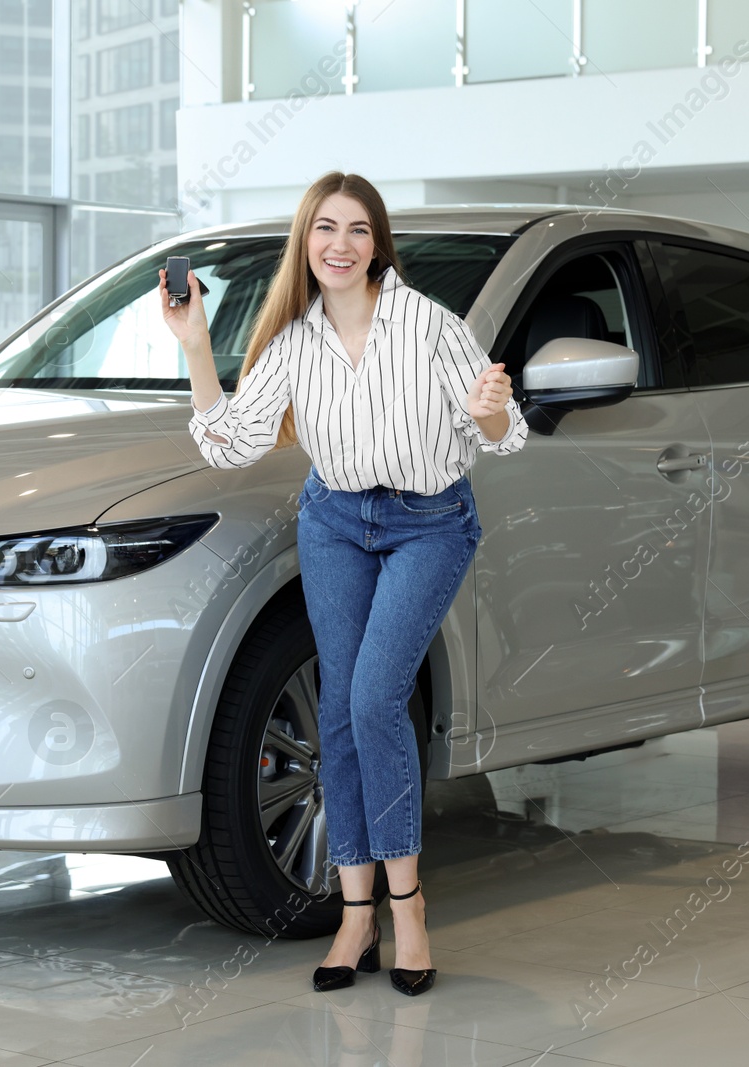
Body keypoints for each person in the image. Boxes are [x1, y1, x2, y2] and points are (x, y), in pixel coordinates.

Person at [161, 171, 530, 996]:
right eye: (324, 228)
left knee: (372, 699)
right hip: (334, 519)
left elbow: (503, 437)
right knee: (337, 707)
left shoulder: (430, 326)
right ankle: (354, 912)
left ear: (377, 245)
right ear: (306, 242)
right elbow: (229, 445)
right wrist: (194, 347)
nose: (339, 244)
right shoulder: (293, 344)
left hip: (429, 521)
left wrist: (492, 407)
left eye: (357, 229)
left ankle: (409, 910)